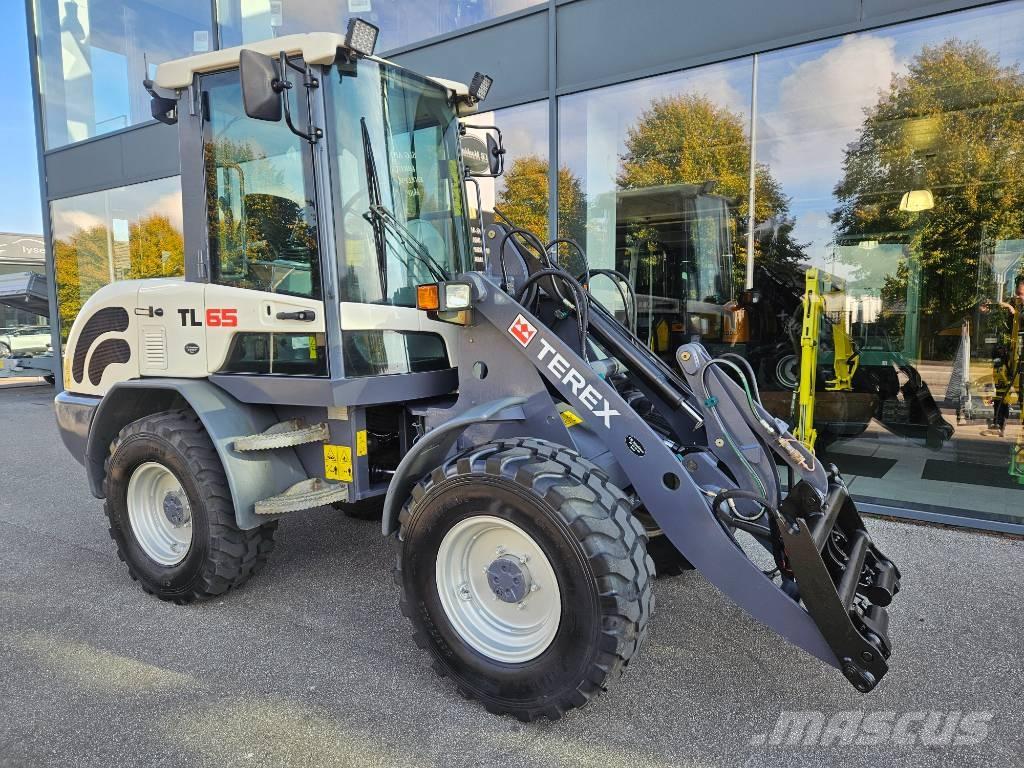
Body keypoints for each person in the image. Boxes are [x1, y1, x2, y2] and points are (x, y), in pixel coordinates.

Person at [981, 277, 1023, 437]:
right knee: (1000, 390)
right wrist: (987, 310)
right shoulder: (1010, 303)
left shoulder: (1017, 309)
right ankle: (998, 423)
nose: (1019, 297)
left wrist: (1014, 313)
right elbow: (991, 311)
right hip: (1006, 354)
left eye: (1022, 294)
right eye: (1018, 293)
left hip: (1020, 358)